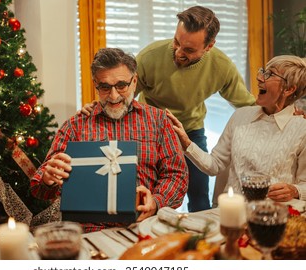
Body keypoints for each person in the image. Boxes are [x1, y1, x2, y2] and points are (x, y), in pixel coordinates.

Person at [80, 6, 256, 212]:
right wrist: (95, 107)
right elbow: (120, 94)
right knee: (148, 191)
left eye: (189, 50)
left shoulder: (222, 67)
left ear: (209, 46)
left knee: (199, 196)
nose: (179, 52)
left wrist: (284, 112)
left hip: (191, 132)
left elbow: (247, 104)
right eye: (176, 42)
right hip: (151, 131)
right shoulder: (150, 57)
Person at [31, 47, 189, 232]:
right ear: (95, 84)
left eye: (121, 85)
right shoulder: (75, 126)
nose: (114, 96)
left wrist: (155, 201)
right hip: (88, 231)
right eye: (105, 87)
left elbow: (177, 175)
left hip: (145, 226)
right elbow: (39, 187)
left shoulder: (159, 121)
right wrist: (48, 179)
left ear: (135, 81)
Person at [166, 55, 306, 202]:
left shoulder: (301, 129)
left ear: (289, 89)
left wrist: (295, 190)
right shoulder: (240, 116)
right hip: (232, 212)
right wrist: (187, 144)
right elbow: (214, 165)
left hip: (273, 215)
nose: (259, 77)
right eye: (263, 71)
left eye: (270, 74)